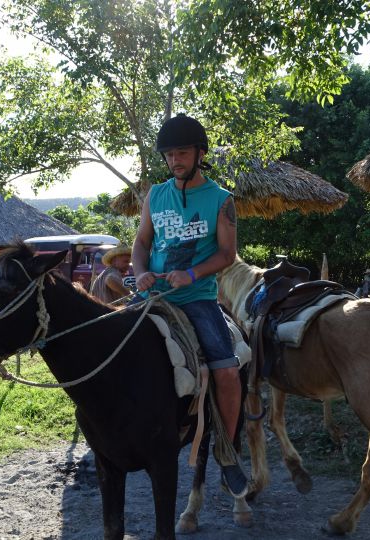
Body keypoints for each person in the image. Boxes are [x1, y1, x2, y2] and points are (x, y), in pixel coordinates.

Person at [132, 113, 248, 496]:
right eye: (169, 155)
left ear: (200, 153)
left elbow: (228, 254)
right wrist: (141, 272)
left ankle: (227, 452)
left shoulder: (221, 200)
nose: (174, 160)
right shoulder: (155, 195)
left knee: (227, 371)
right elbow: (141, 243)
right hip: (153, 295)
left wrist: (193, 274)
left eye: (181, 152)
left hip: (197, 298)